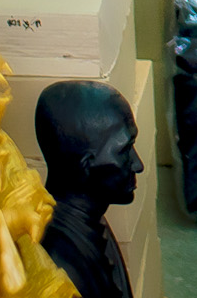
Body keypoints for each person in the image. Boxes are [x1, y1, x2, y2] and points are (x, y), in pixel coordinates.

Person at [36, 80, 144, 298]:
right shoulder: (56, 267)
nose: (137, 165)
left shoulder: (89, 220)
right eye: (124, 150)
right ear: (85, 166)